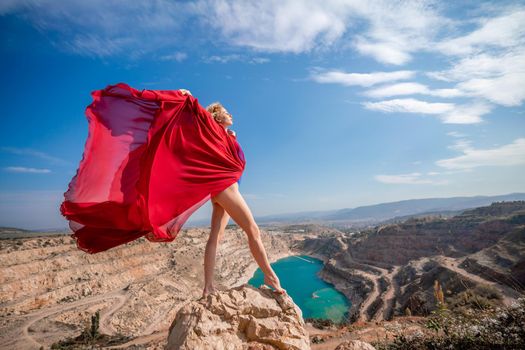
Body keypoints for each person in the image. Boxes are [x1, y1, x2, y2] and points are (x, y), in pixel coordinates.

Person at [178, 89, 285, 298]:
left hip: (222, 190)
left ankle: (208, 287)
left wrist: (231, 139)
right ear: (217, 117)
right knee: (253, 230)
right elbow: (199, 116)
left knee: (215, 237)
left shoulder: (223, 136)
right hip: (226, 188)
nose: (231, 115)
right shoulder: (212, 129)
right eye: (226, 112)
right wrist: (189, 97)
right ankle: (270, 276)